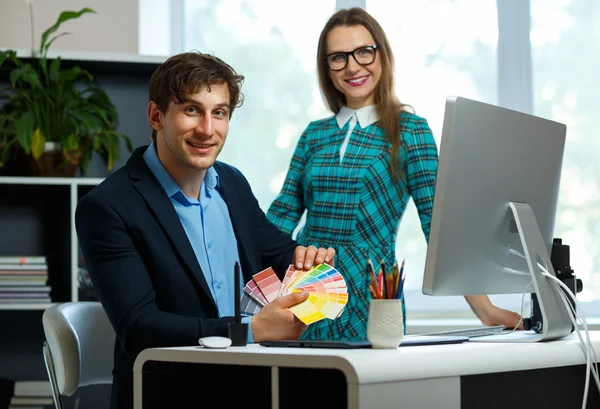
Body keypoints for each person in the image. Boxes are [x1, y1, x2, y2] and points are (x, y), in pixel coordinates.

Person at [75, 51, 335, 409]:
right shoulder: (107, 207)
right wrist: (249, 331)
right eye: (191, 110)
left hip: (254, 386)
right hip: (170, 396)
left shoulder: (232, 184)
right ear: (156, 116)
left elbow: (274, 252)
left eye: (220, 113)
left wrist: (305, 259)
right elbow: (139, 326)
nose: (207, 130)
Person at [266, 7, 522, 341]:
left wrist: (484, 308)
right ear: (326, 68)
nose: (353, 66)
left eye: (363, 52)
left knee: (363, 391)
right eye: (338, 57)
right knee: (297, 391)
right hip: (301, 292)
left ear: (382, 57)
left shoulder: (410, 131)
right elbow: (281, 217)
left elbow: (438, 224)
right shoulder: (314, 134)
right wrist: (249, 295)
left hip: (371, 294)